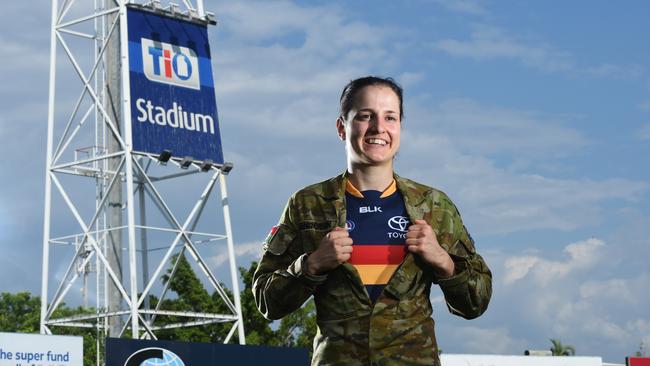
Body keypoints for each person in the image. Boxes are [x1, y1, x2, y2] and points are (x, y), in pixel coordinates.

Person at [253, 76, 492, 365]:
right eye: (366, 116)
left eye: (390, 117)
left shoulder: (435, 206)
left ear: (400, 127)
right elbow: (267, 301)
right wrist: (311, 264)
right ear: (342, 127)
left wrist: (443, 262)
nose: (379, 128)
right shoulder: (307, 205)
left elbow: (476, 302)